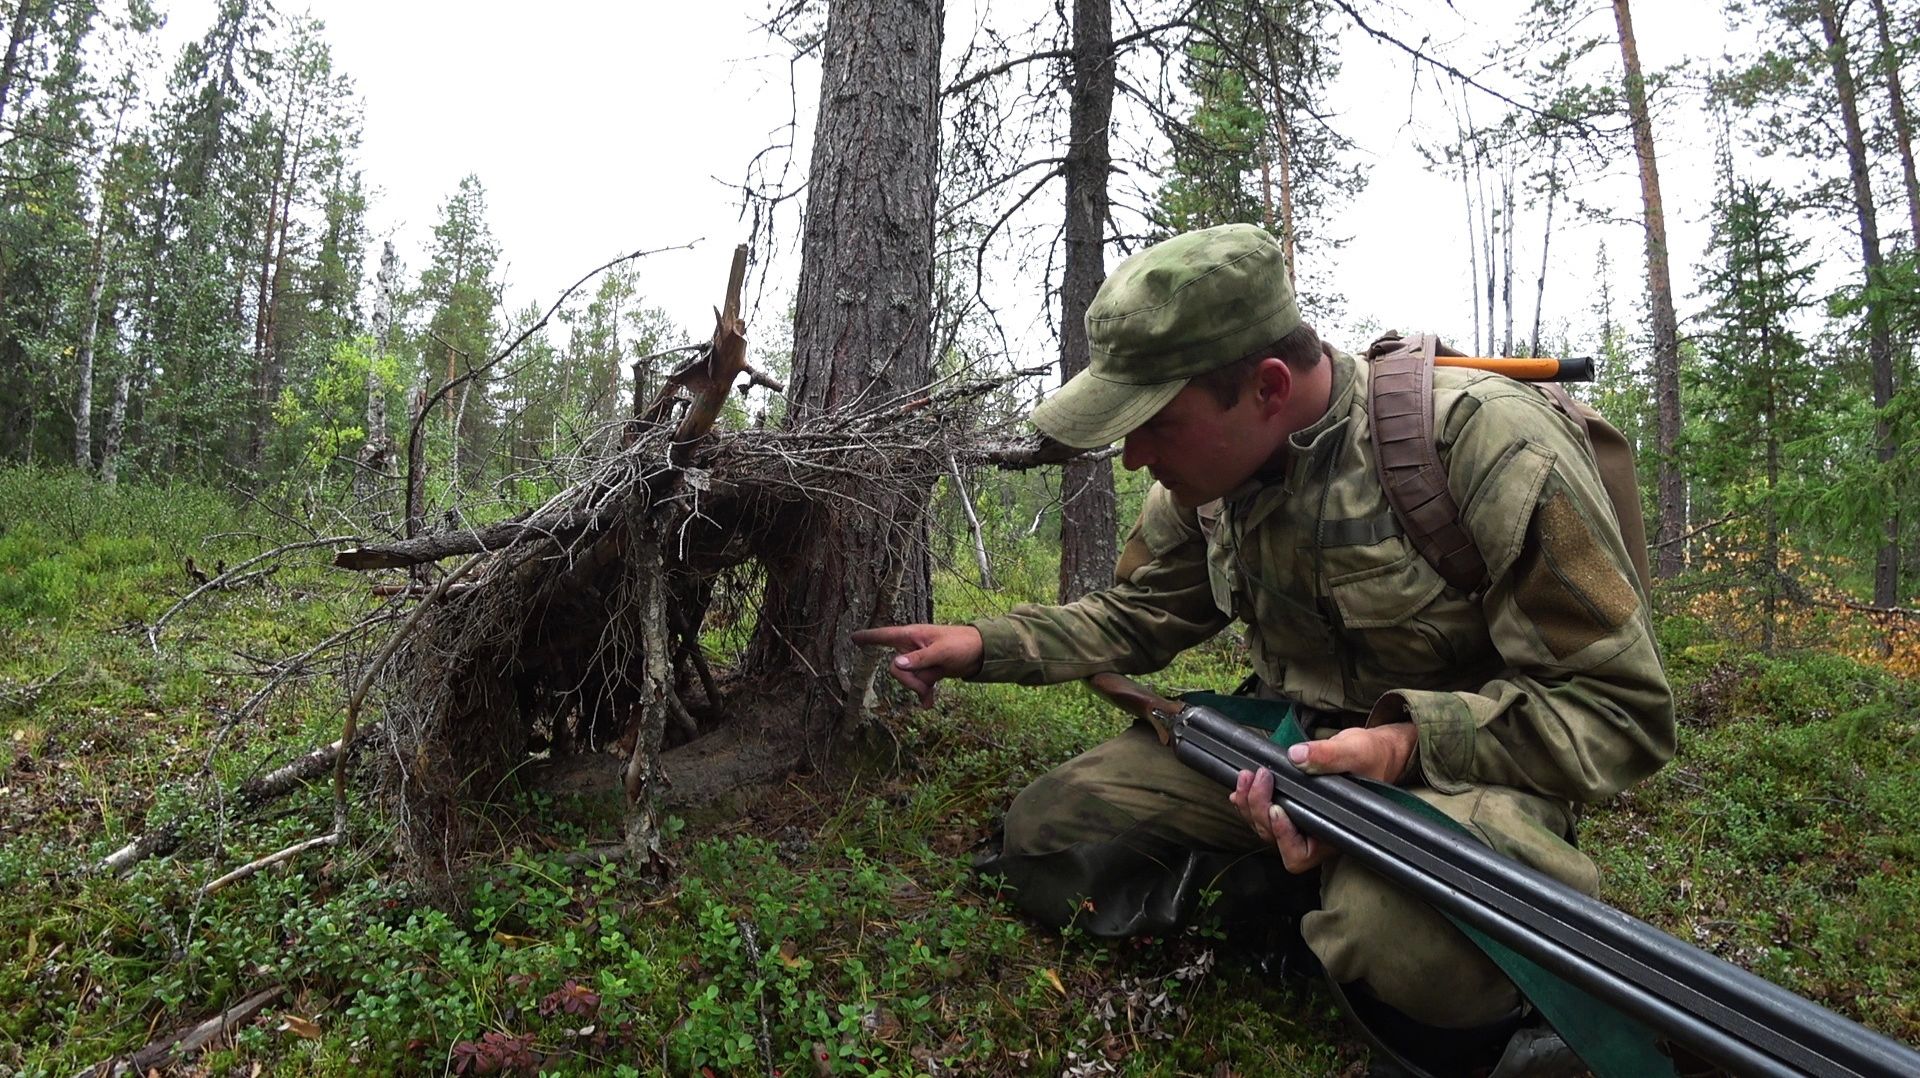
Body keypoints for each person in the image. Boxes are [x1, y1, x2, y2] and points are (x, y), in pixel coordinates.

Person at [851, 223, 1675, 1075]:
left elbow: (1621, 709)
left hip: (1464, 771)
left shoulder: (1485, 445)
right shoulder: (1208, 482)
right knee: (1052, 833)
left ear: (1268, 388)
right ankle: (1312, 895)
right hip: (1286, 748)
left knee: (1403, 947)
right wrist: (985, 641)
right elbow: (1138, 616)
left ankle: (1481, 1021)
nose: (1134, 457)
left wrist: (1402, 743)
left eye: (1155, 425)